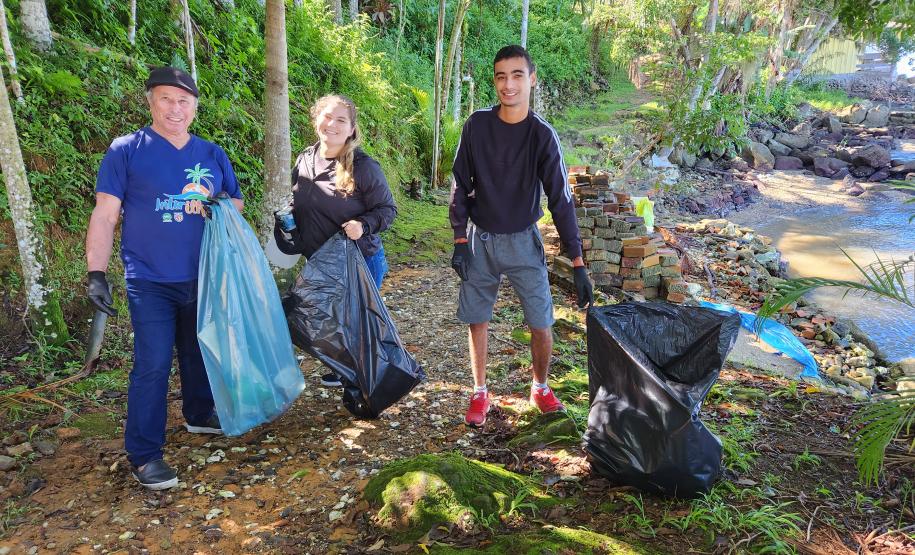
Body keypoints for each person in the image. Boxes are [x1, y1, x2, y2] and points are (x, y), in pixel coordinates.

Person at [85, 67, 243, 490]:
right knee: (152, 366)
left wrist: (214, 206)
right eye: (166, 99)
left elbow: (236, 203)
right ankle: (144, 454)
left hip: (203, 274)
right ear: (151, 101)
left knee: (198, 350)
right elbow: (105, 213)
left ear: (195, 107)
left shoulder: (211, 153)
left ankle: (199, 413)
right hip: (149, 278)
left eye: (184, 101)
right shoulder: (127, 149)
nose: (175, 109)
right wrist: (96, 272)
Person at [449, 45, 593, 428]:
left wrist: (577, 261)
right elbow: (460, 185)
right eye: (500, 76)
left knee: (540, 320)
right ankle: (480, 391)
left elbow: (561, 198)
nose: (508, 84)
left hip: (523, 240)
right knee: (477, 318)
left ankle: (540, 387)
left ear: (531, 79)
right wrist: (460, 240)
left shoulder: (541, 135)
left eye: (516, 75)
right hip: (480, 240)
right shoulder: (477, 126)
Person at [274, 94, 397, 387]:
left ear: (352, 129)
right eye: (327, 116)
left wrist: (363, 225)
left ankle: (373, 385)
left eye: (341, 119)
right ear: (316, 120)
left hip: (359, 261)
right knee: (331, 322)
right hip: (321, 263)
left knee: (359, 324)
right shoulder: (305, 159)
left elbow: (387, 210)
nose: (332, 124)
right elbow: (299, 200)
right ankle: (346, 370)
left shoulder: (363, 166)